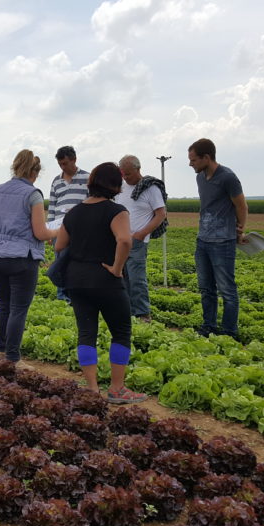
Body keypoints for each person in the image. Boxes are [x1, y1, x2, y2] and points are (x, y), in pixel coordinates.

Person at [55, 162, 146, 404]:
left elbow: (59, 246)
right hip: (106, 280)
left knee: (86, 333)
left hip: (76, 280)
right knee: (121, 331)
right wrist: (116, 268)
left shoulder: (74, 212)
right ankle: (117, 389)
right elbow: (125, 241)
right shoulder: (116, 211)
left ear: (91, 182)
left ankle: (92, 389)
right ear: (116, 185)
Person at [0, 150, 56, 364]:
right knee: (18, 308)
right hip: (21, 257)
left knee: (3, 305)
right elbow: (40, 232)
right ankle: (13, 358)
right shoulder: (33, 195)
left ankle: (1, 351)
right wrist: (57, 231)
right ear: (35, 172)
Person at [187, 138, 249, 338]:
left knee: (227, 290)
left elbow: (241, 205)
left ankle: (229, 332)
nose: (191, 164)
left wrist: (240, 229)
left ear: (207, 157)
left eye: (194, 160)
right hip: (203, 240)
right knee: (206, 288)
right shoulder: (200, 178)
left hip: (223, 241)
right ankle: (209, 326)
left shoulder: (228, 177)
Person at [116, 154, 167, 322]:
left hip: (137, 241)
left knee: (137, 279)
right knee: (123, 278)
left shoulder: (150, 188)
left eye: (128, 174)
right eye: (123, 174)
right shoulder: (121, 188)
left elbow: (160, 214)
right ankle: (128, 312)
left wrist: (142, 233)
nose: (126, 178)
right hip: (120, 240)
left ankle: (143, 313)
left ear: (138, 169)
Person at [47, 145, 89, 302]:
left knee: (77, 262)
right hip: (59, 228)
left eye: (65, 163)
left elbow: (93, 202)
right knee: (60, 262)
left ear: (74, 160)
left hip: (80, 228)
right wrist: (50, 229)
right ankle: (62, 296)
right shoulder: (56, 181)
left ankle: (76, 295)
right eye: (60, 164)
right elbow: (52, 206)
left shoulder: (87, 178)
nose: (63, 167)